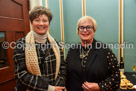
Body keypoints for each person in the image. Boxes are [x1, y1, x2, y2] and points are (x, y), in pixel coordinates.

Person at [14, 6, 66, 91]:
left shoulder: (55, 44)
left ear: (49, 23)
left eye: (45, 20)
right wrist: (49, 88)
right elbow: (21, 74)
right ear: (31, 22)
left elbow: (62, 67)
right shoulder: (21, 44)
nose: (41, 23)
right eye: (37, 20)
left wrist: (59, 85)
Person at [65, 16, 120, 91]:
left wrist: (99, 86)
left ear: (94, 31)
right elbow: (65, 73)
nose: (85, 30)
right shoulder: (72, 50)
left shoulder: (105, 50)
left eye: (89, 27)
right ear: (78, 31)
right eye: (81, 27)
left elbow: (116, 79)